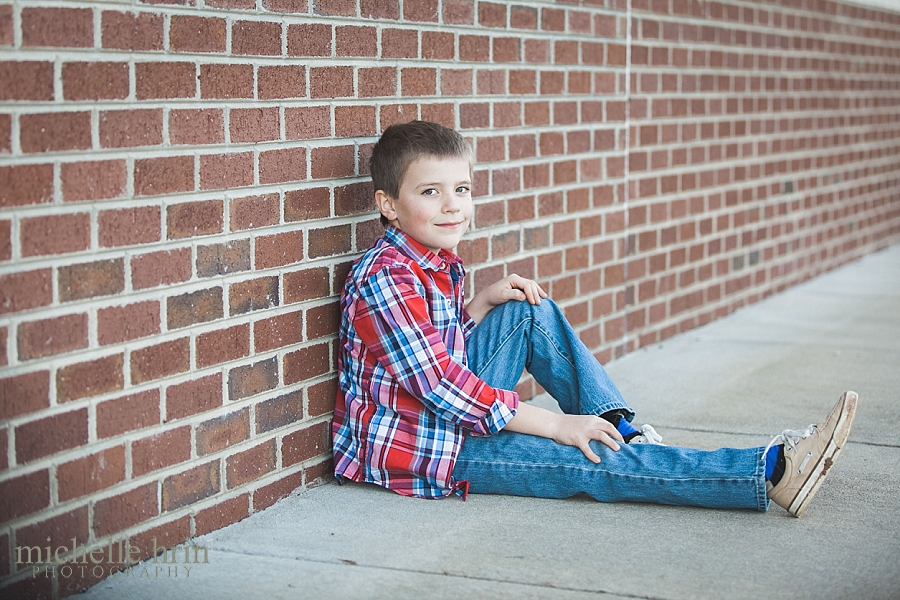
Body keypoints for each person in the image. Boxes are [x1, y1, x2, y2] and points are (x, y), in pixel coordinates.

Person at [331, 120, 857, 517]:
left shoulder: (428, 260)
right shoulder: (387, 278)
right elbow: (442, 387)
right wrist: (556, 425)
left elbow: (430, 350)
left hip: (437, 413)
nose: (453, 207)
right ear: (389, 204)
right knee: (585, 458)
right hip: (428, 447)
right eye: (430, 192)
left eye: (461, 190)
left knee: (528, 311)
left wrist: (482, 305)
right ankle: (773, 471)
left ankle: (622, 431)